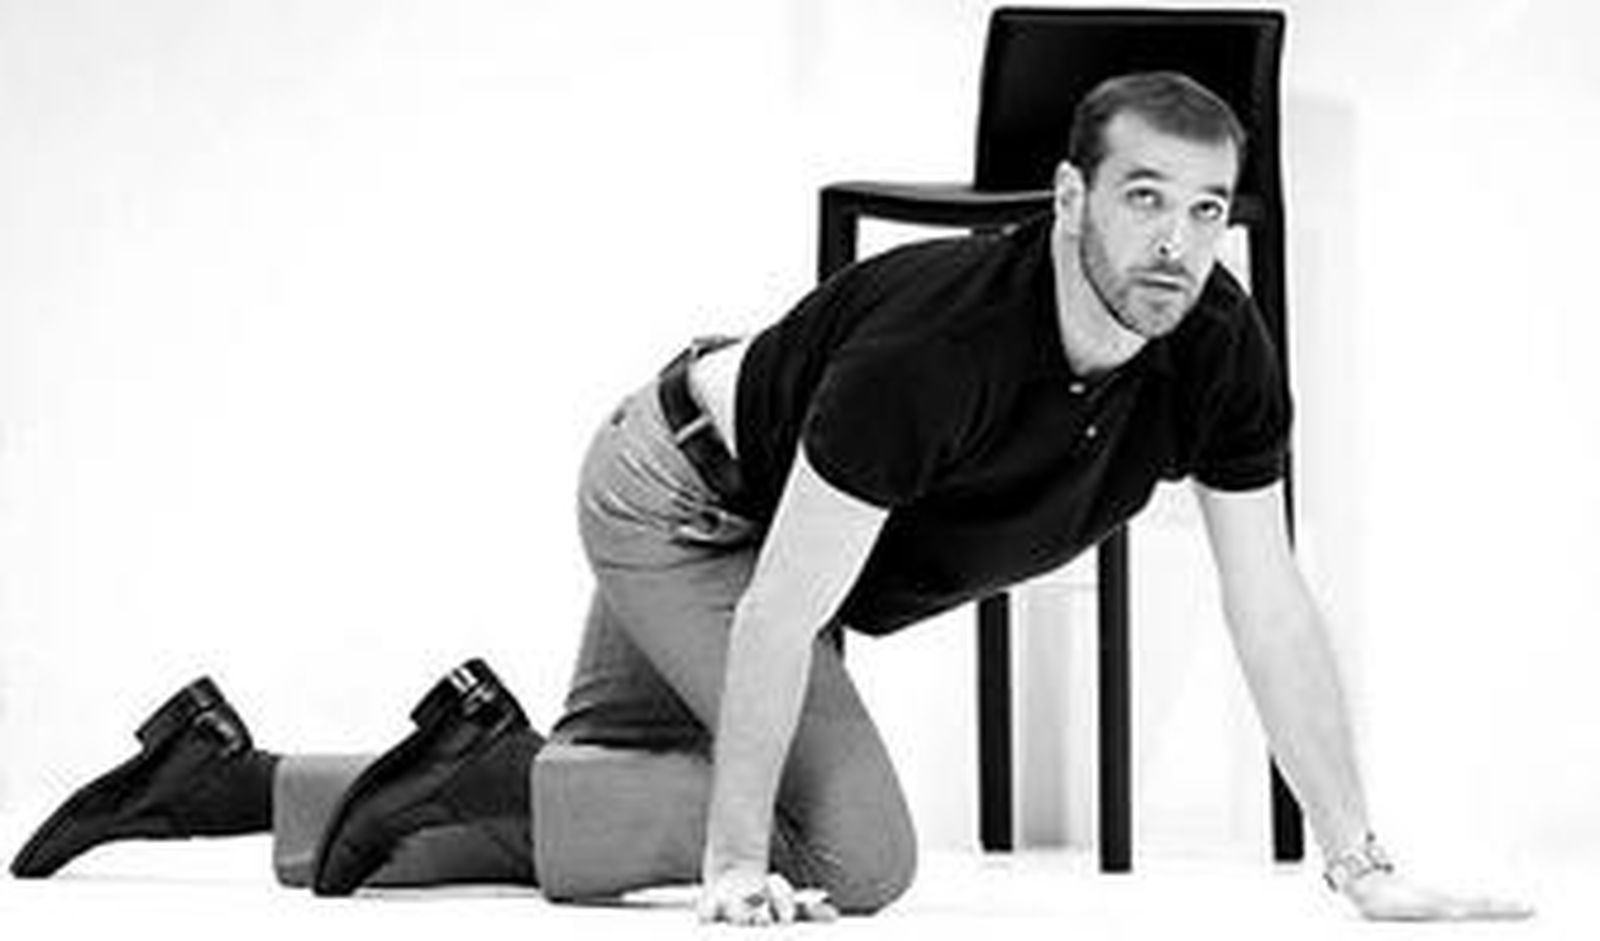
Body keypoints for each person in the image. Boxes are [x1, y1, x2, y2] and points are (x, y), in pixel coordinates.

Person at [9, 72, 1530, 925]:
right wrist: (738, 864)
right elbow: (782, 606)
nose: (1176, 246)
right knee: (853, 854)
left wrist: (1360, 861)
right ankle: (483, 765)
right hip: (682, 500)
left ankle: (225, 779)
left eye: (1204, 211)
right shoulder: (938, 350)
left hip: (771, 518)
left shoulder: (1213, 343)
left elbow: (1270, 599)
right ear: (1070, 198)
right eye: (1142, 200)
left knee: (604, 785)